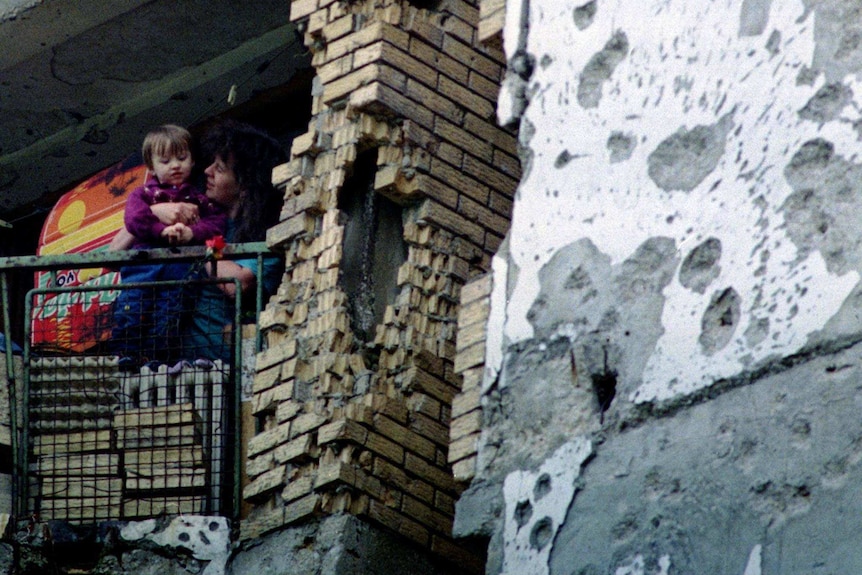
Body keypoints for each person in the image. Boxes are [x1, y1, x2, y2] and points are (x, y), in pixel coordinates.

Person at [121, 120, 285, 364]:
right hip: (167, 363)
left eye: (219, 168)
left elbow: (238, 283)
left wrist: (193, 240)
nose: (206, 171)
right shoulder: (199, 209)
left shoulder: (271, 233)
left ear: (245, 184)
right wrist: (155, 211)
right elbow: (116, 250)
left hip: (220, 365)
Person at [110, 124, 227, 367]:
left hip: (178, 275)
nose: (175, 165)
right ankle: (126, 357)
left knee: (168, 318)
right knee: (131, 312)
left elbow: (217, 226)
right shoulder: (141, 195)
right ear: (151, 167)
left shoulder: (199, 199)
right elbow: (134, 220)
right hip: (142, 270)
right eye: (165, 160)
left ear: (192, 161)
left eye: (182, 158)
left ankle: (157, 362)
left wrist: (190, 233)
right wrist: (161, 230)